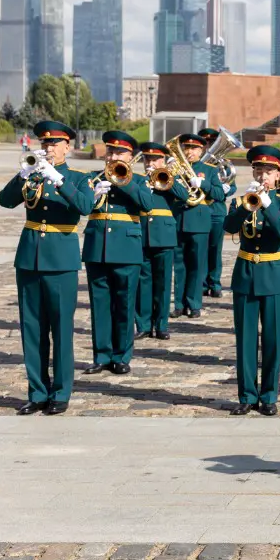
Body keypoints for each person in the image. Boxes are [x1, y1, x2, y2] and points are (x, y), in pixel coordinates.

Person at [0, 121, 95, 415]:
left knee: (61, 328)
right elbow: (4, 201)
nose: (49, 148)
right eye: (45, 143)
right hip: (29, 258)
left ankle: (61, 392)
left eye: (55, 143)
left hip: (60, 260)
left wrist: (58, 180)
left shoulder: (79, 177)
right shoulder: (33, 175)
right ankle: (37, 391)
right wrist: (22, 175)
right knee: (31, 328)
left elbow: (85, 206)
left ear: (68, 146)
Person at [224, 146, 280, 416]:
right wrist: (246, 204)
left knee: (274, 340)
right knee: (245, 339)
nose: (263, 175)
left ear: (279, 175)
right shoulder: (241, 200)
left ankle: (269, 395)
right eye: (258, 170)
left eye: (268, 171)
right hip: (245, 275)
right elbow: (229, 227)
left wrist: (268, 205)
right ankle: (247, 395)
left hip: (274, 275)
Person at [81, 131, 154, 376]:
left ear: (130, 157)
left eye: (119, 152)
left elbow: (147, 204)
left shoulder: (140, 180)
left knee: (124, 303)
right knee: (100, 305)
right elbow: (81, 207)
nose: (113, 155)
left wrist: (125, 181)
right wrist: (94, 193)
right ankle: (101, 355)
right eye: (110, 151)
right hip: (97, 248)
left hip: (126, 249)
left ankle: (121, 356)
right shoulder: (92, 178)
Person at [135, 141, 191, 341]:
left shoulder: (169, 179)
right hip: (141, 234)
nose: (151, 162)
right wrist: (145, 184)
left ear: (163, 161)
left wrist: (168, 177)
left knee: (163, 283)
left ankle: (161, 325)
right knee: (143, 283)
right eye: (148, 159)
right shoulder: (136, 179)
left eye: (155, 159)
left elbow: (185, 196)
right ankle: (142, 324)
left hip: (164, 236)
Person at [170, 133, 224, 319]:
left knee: (197, 265)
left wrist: (204, 184)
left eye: (193, 148)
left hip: (200, 220)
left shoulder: (209, 170)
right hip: (178, 218)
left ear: (201, 150)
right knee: (179, 265)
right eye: (186, 148)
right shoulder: (175, 169)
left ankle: (194, 304)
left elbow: (219, 194)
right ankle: (178, 304)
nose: (189, 151)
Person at [199, 127, 237, 299]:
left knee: (215, 249)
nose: (209, 145)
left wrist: (226, 189)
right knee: (200, 249)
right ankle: (201, 283)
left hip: (217, 211)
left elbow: (233, 185)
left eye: (212, 142)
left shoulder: (225, 164)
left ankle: (214, 283)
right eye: (206, 142)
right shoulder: (195, 164)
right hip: (199, 209)